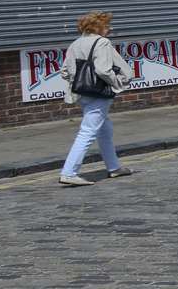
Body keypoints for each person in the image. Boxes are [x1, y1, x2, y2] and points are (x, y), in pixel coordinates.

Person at [57, 10, 133, 186]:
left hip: (82, 93)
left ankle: (114, 167)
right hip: (99, 93)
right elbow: (103, 70)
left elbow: (65, 71)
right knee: (88, 132)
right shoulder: (102, 42)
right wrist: (116, 83)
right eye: (106, 25)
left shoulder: (75, 44)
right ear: (97, 27)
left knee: (104, 130)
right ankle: (68, 172)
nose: (109, 29)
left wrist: (79, 82)